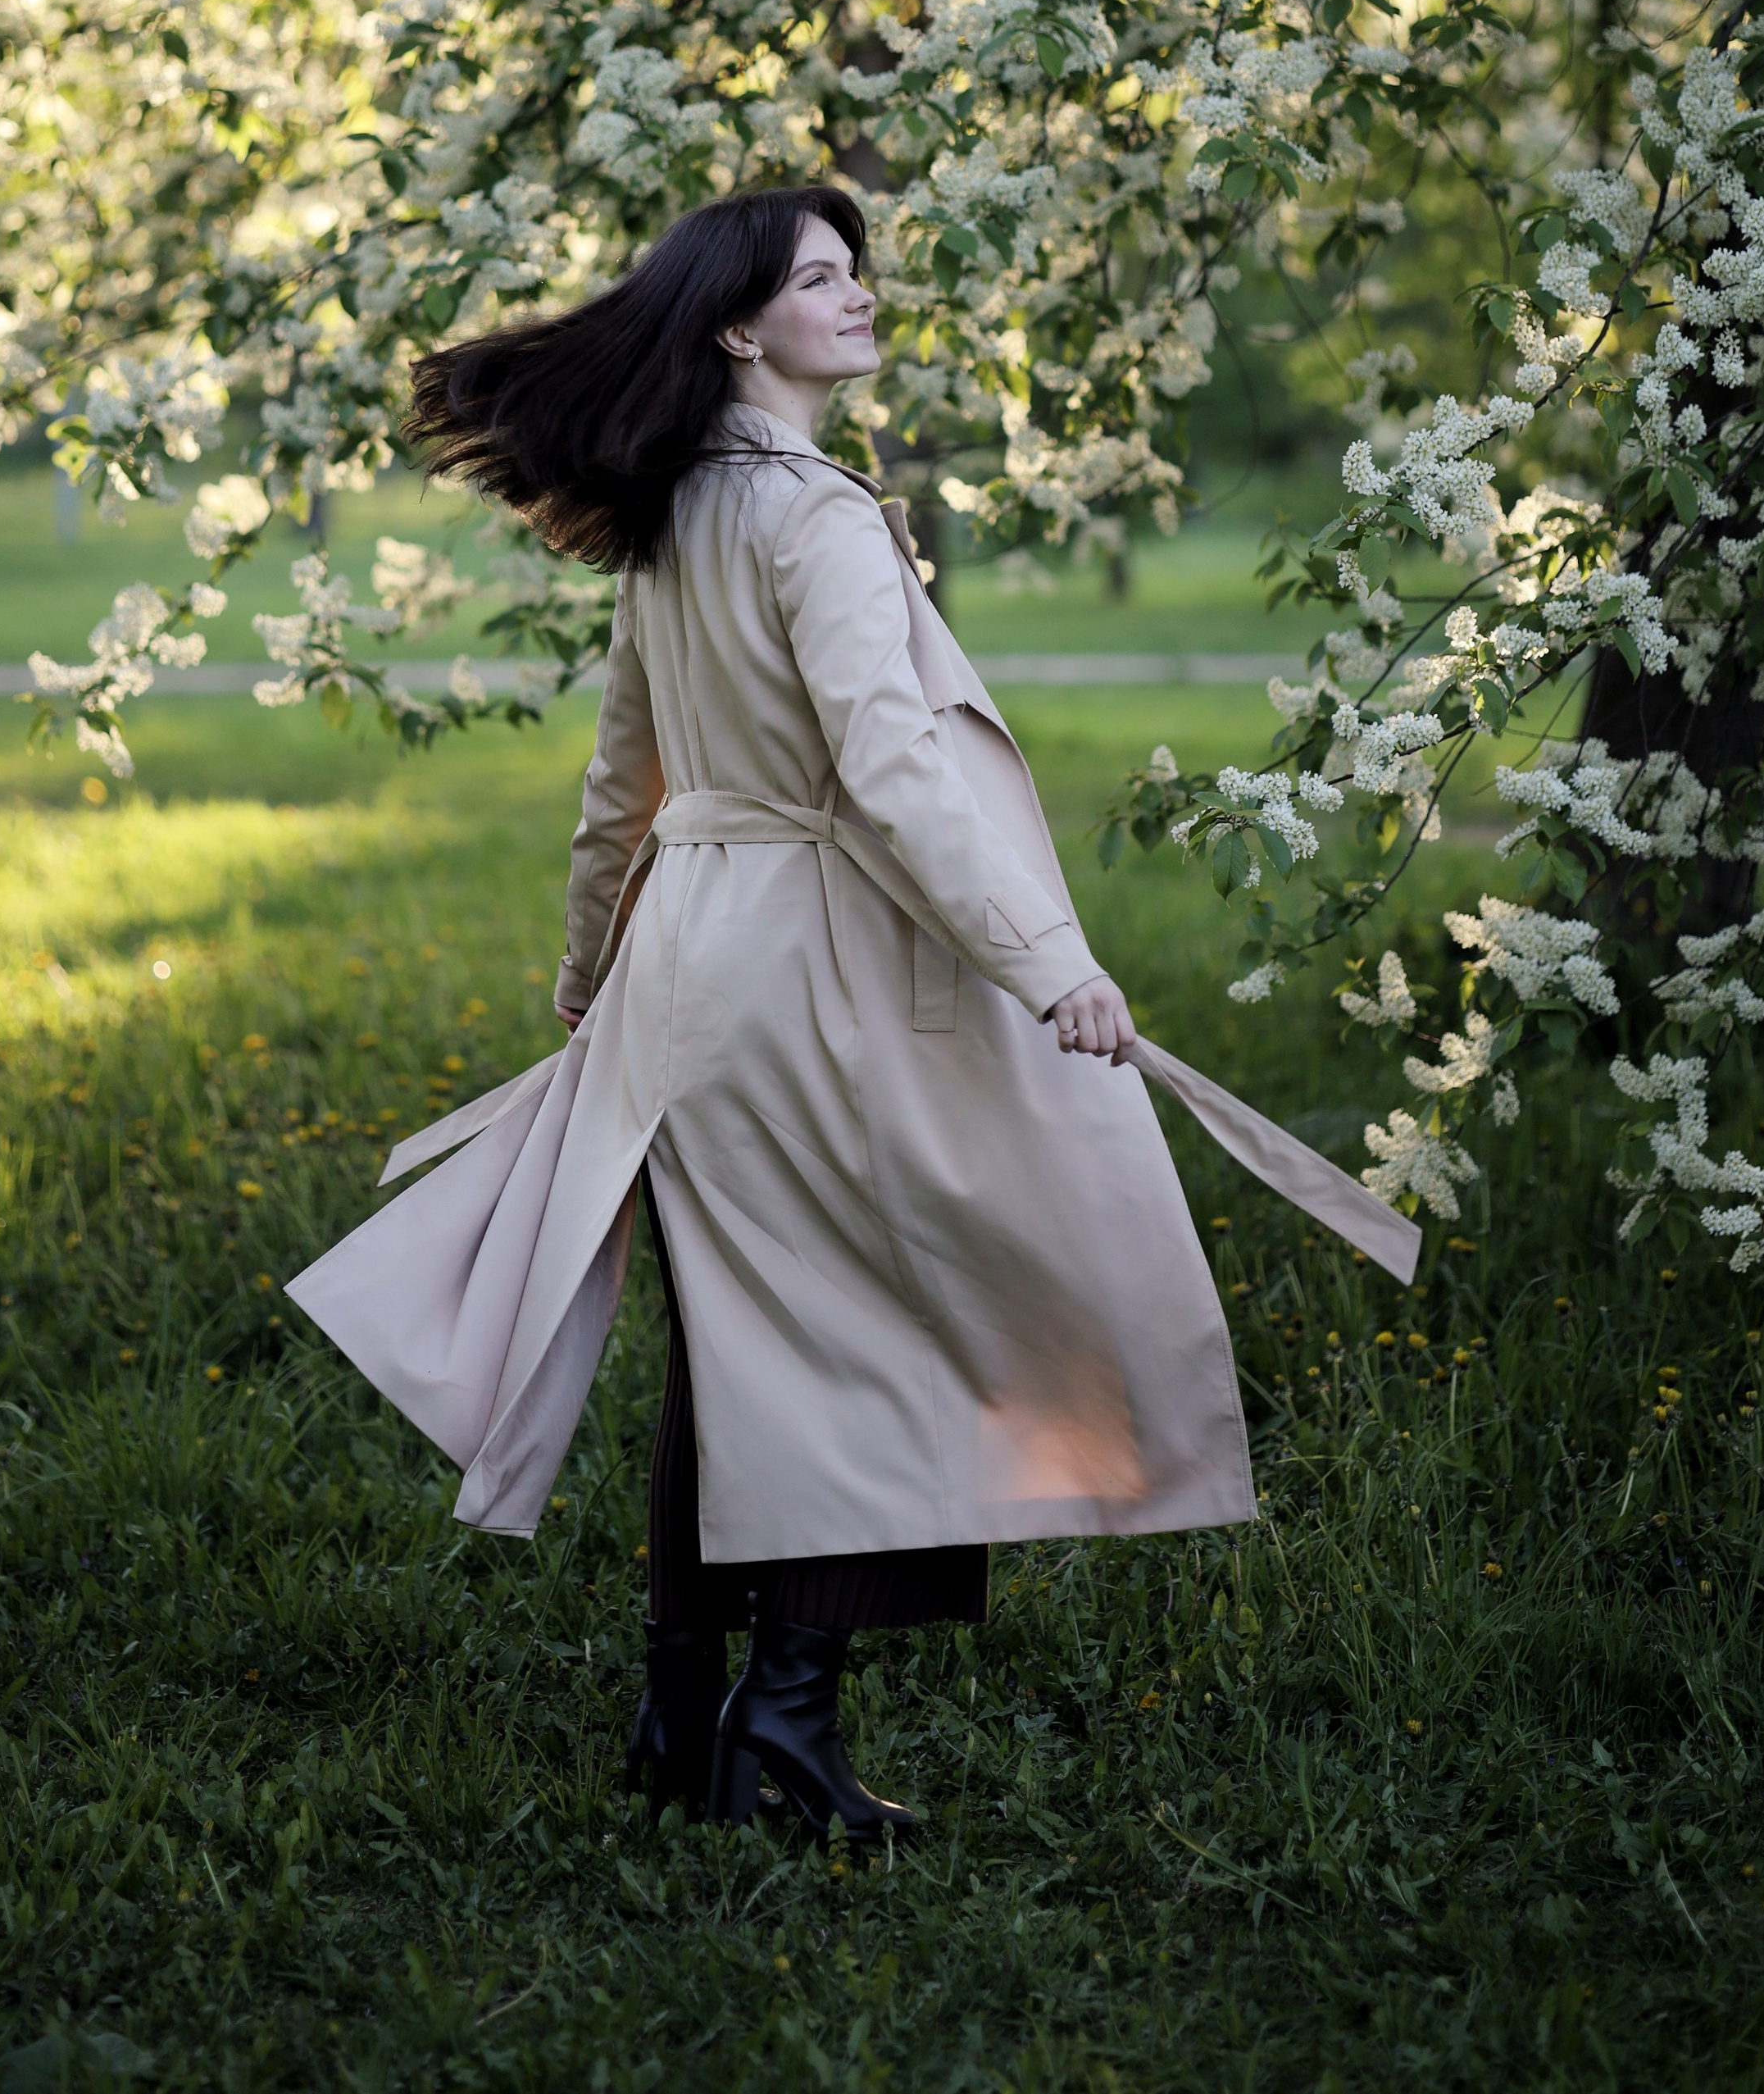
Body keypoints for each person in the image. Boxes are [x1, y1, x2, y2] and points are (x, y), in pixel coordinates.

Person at [287, 184, 1416, 1844]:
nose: (858, 294)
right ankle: (782, 1731)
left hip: (692, 959)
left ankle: (684, 1711)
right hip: (802, 968)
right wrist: (1047, 960)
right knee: (864, 1336)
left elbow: (625, 773)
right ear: (742, 327)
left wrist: (596, 957)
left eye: (854, 270)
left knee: (739, 1347)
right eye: (819, 278)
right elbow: (887, 767)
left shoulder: (676, 507)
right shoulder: (811, 516)